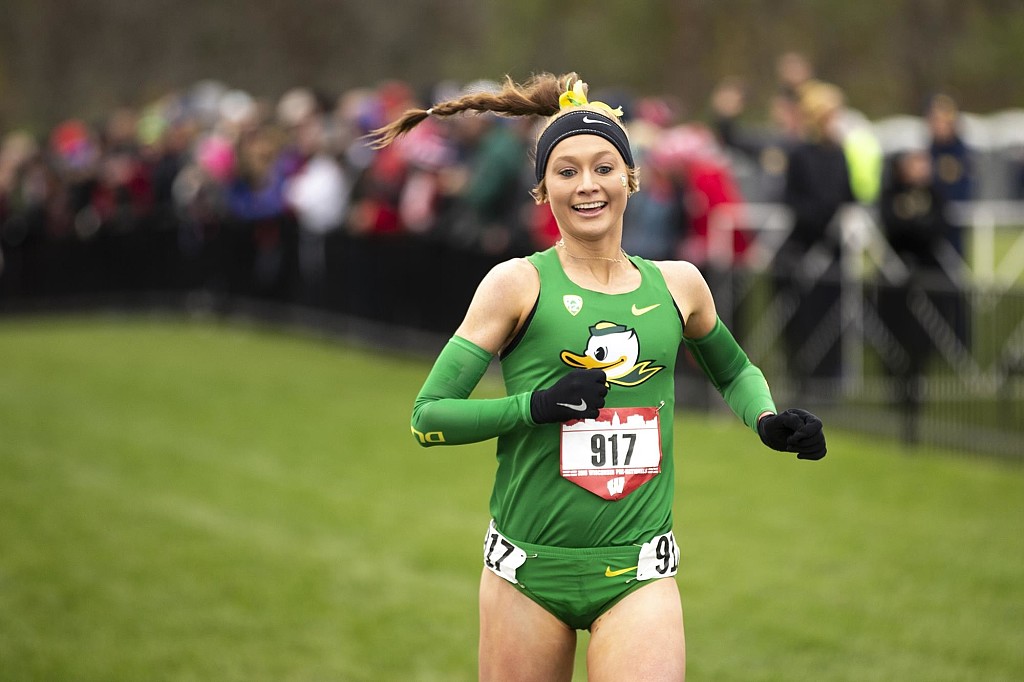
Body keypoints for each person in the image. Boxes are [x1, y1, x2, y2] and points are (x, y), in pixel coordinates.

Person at [372, 72, 827, 682]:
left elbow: (736, 370)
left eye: (604, 167)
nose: (587, 184)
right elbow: (428, 417)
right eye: (567, 171)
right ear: (543, 191)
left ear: (630, 179)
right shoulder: (516, 284)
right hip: (526, 573)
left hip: (639, 573)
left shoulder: (679, 285)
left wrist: (767, 419)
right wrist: (536, 406)